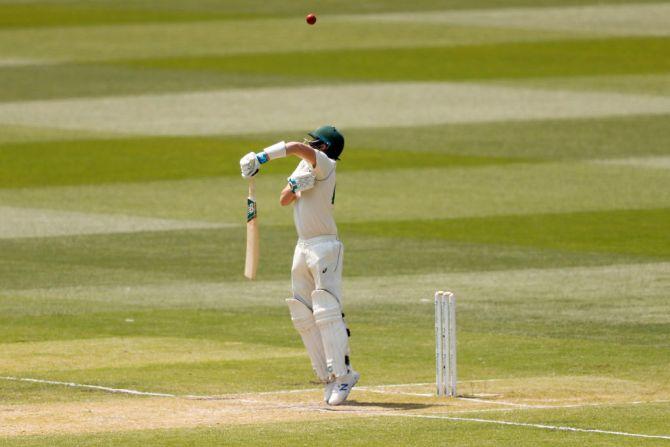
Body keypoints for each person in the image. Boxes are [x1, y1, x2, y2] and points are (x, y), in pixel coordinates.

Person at [239, 125, 359, 405]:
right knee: (302, 313)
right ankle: (327, 376)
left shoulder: (325, 164)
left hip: (325, 245)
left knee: (326, 310)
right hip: (303, 245)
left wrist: (261, 158)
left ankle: (344, 375)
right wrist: (294, 186)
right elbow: (283, 200)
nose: (310, 142)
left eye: (315, 141)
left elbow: (294, 146)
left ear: (324, 146)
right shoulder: (304, 168)